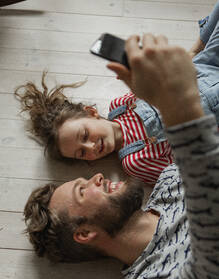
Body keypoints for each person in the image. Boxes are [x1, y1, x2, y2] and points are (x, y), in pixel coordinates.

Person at [23, 2, 219, 279]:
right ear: (84, 233)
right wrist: (178, 111)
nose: (96, 175)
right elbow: (210, 276)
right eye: (84, 189)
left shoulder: (170, 184)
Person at [14, 9, 219, 185]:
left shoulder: (120, 105)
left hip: (202, 68)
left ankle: (194, 49)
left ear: (91, 112)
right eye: (82, 153)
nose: (91, 147)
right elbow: (184, 170)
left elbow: (160, 82)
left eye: (85, 135)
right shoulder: (134, 162)